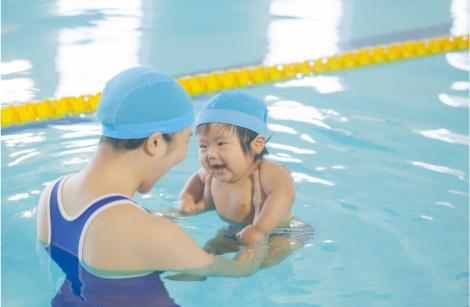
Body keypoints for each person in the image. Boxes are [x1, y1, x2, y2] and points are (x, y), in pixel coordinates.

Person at [36, 67, 269, 305]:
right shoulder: (155, 234)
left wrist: (180, 213)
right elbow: (242, 269)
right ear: (155, 143)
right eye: (187, 140)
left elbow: (97, 240)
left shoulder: (51, 195)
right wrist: (261, 228)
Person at [177, 90, 314, 269]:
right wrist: (186, 198)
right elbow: (198, 178)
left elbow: (285, 192)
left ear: (257, 144)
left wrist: (259, 229)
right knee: (209, 250)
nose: (211, 154)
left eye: (221, 144)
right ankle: (194, 273)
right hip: (235, 230)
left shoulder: (264, 170)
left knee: (266, 260)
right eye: (203, 145)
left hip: (281, 231)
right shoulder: (213, 174)